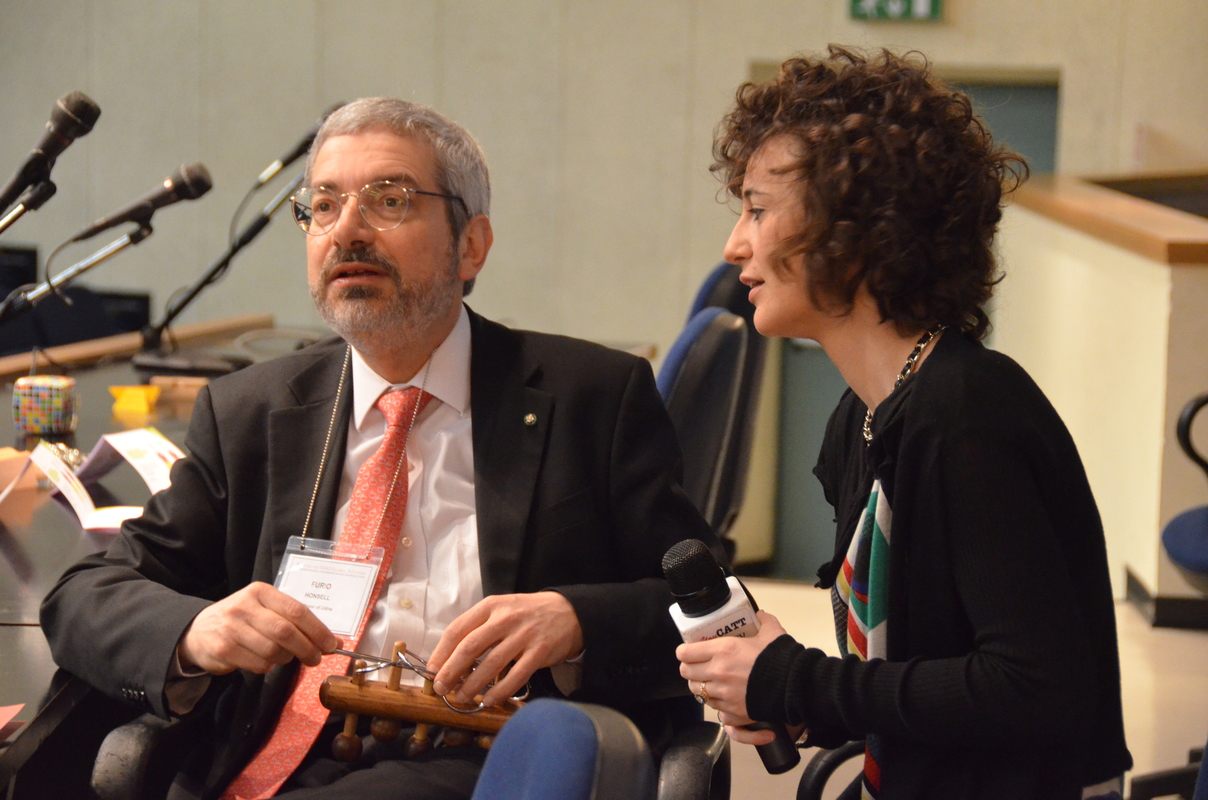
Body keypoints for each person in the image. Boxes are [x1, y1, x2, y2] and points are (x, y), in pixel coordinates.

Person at [41, 97, 716, 800]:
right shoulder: (249, 411)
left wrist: (575, 622)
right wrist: (195, 630)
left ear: (472, 244)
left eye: (390, 201)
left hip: (494, 760)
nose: (347, 231)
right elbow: (85, 597)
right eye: (323, 206)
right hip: (283, 756)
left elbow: (714, 607)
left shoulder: (592, 398)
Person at [676, 48, 1132, 799]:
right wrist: (795, 699)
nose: (735, 246)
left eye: (758, 209)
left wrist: (802, 682)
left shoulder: (968, 415)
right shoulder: (862, 415)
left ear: (855, 229)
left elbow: (1039, 690)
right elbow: (918, 675)